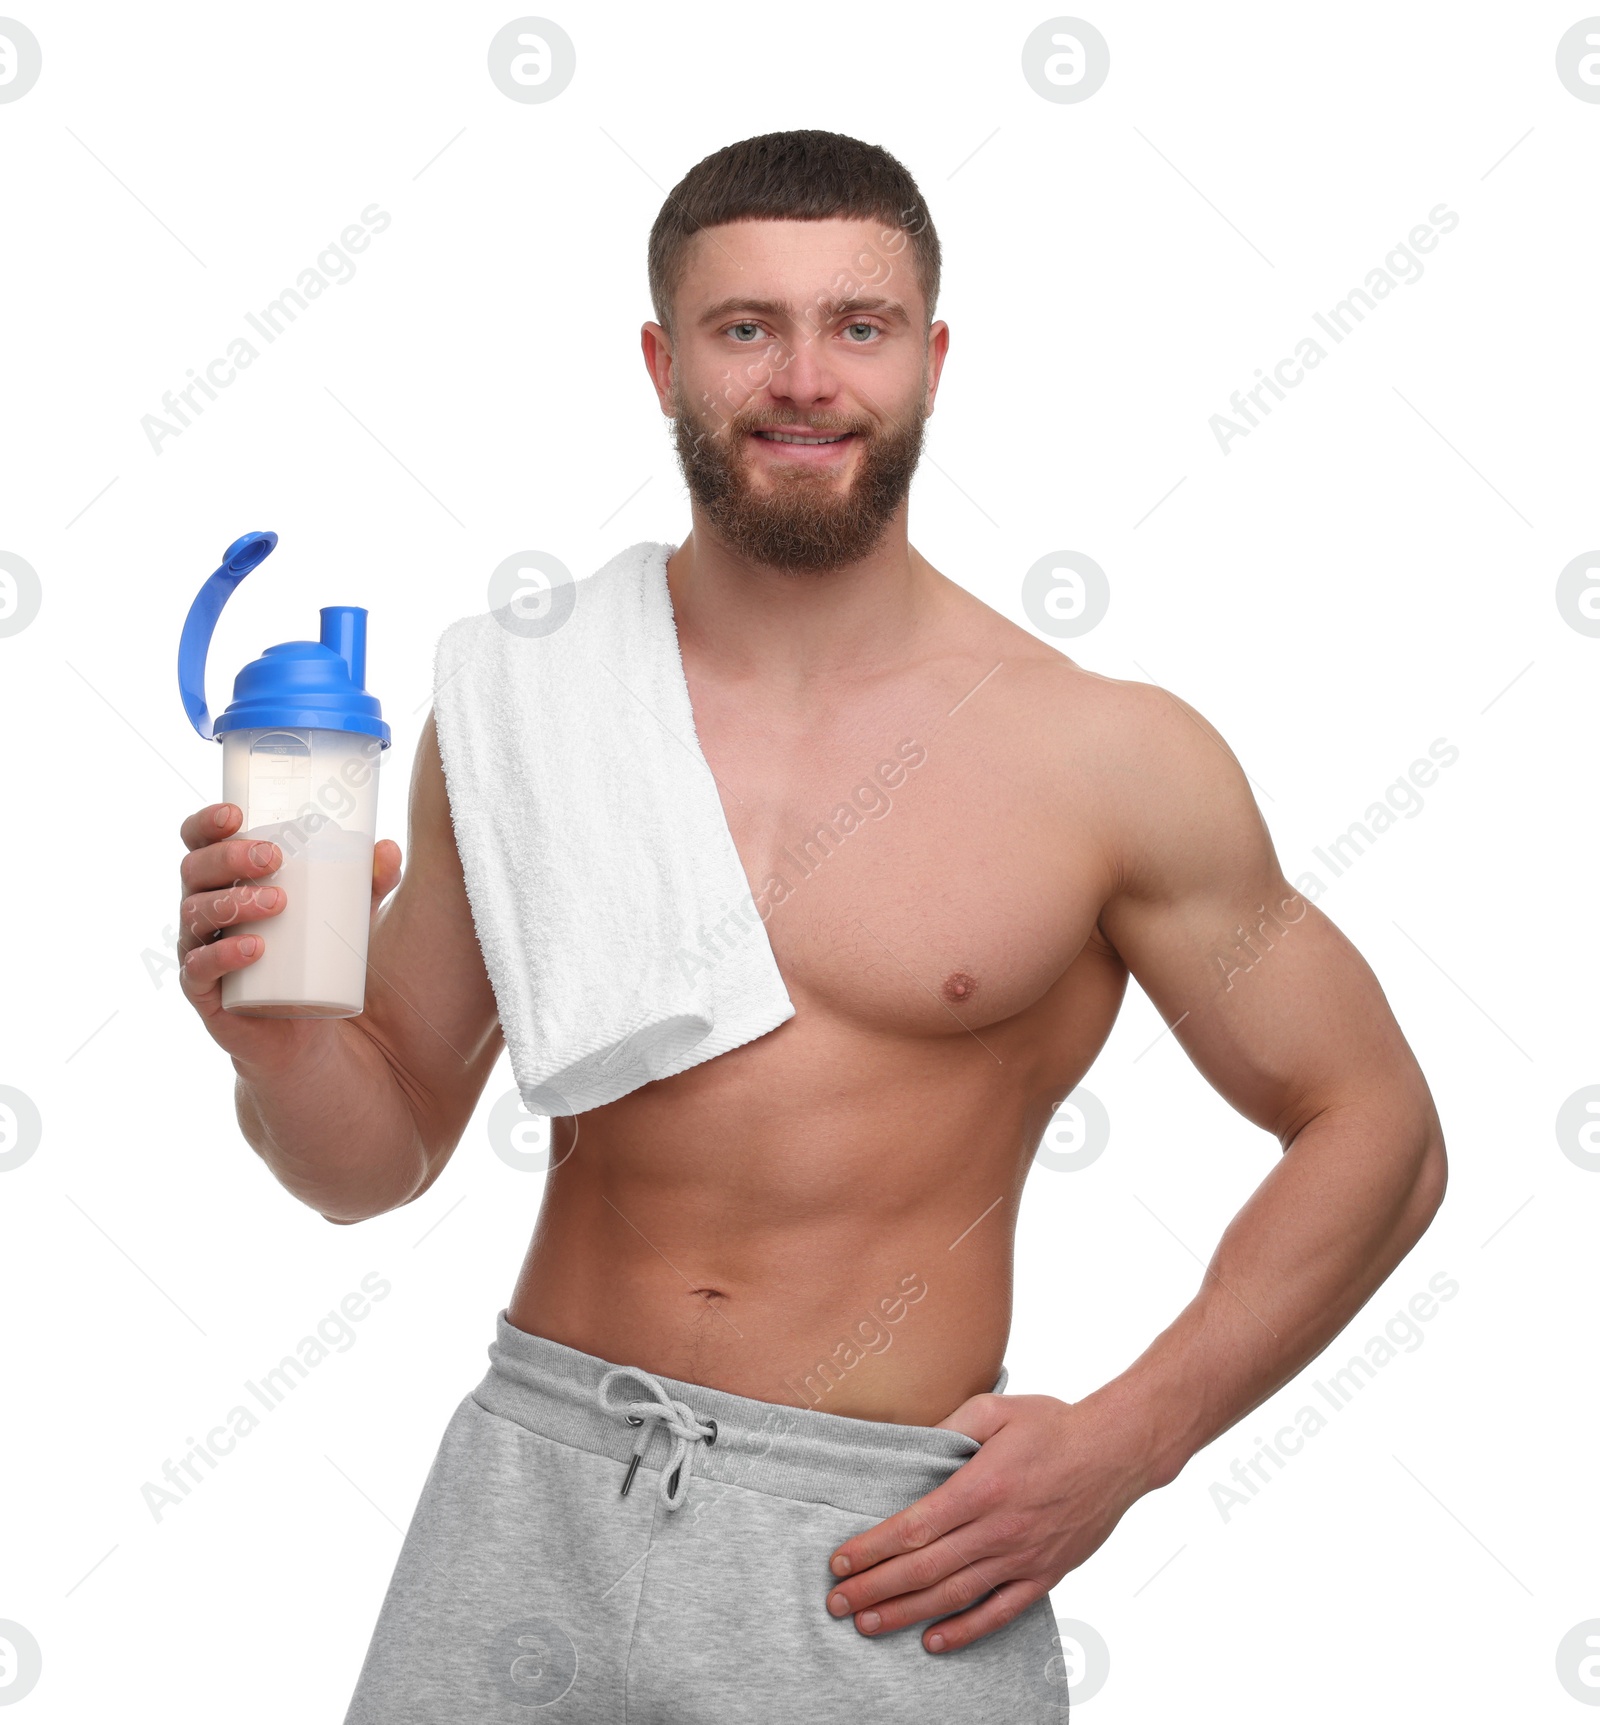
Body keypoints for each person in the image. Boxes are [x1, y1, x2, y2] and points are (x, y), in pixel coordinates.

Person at [175, 130, 1446, 1722]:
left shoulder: (1102, 755)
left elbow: (1377, 1122)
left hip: (886, 1544)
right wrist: (280, 1035)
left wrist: (1133, 1438)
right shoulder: (529, 701)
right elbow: (370, 1158)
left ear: (931, 357)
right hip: (532, 1489)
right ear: (663, 359)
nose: (804, 378)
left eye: (859, 324)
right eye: (744, 326)